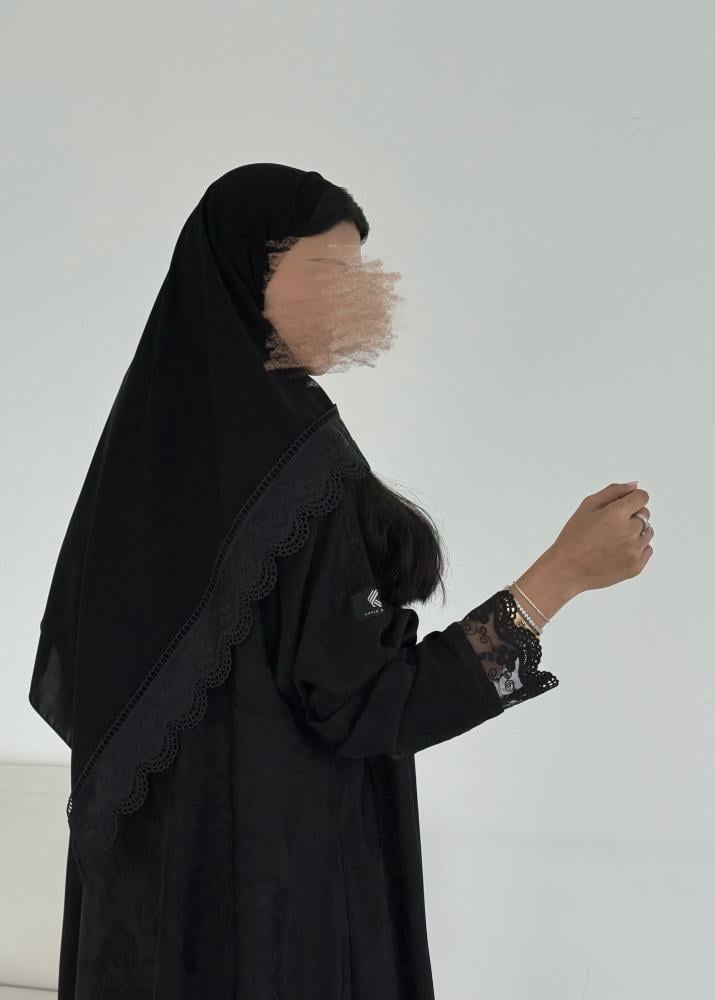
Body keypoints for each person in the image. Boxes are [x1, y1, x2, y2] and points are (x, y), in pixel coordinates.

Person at [29, 162, 654, 999]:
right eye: (325, 269)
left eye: (359, 273)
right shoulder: (297, 466)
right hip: (276, 908)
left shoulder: (141, 460)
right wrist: (558, 578)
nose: (354, 299)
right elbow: (373, 705)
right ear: (244, 272)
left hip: (158, 918)